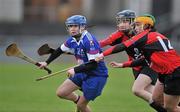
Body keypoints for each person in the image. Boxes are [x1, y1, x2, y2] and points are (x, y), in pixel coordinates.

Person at [96, 15, 180, 112]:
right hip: (164, 72)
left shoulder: (146, 35)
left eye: (138, 25)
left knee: (169, 108)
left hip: (174, 72)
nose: (135, 28)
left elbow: (123, 46)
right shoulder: (152, 37)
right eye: (135, 25)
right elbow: (145, 59)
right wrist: (123, 65)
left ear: (147, 26)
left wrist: (102, 55)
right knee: (156, 99)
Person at [38, 15, 108, 112]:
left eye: (75, 26)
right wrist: (46, 62)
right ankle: (79, 101)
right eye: (70, 26)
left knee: (81, 106)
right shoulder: (72, 39)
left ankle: (80, 104)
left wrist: (75, 70)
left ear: (82, 27)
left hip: (96, 76)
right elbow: (59, 50)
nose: (72, 29)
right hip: (83, 71)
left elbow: (93, 64)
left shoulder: (89, 41)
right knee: (61, 92)